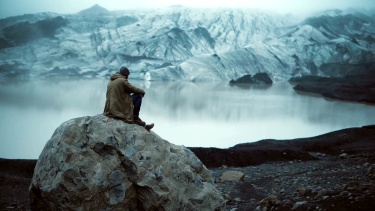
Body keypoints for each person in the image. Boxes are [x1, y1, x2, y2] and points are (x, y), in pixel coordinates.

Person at [103, 66, 154, 131]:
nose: (128, 77)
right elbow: (133, 89)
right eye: (127, 75)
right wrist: (142, 91)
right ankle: (136, 117)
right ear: (125, 74)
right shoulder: (122, 80)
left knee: (134, 97)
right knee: (138, 95)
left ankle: (141, 122)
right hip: (118, 107)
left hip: (110, 107)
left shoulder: (112, 81)